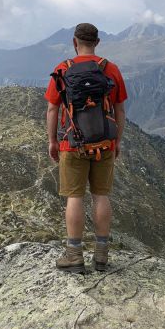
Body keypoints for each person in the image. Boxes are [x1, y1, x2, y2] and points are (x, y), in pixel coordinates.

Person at [44, 22, 127, 273]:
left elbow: (52, 108)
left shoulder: (63, 69)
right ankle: (101, 256)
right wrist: (117, 142)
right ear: (97, 43)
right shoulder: (110, 69)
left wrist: (52, 141)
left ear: (74, 42)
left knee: (74, 197)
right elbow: (120, 110)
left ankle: (74, 255)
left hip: (72, 144)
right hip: (104, 144)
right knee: (101, 195)